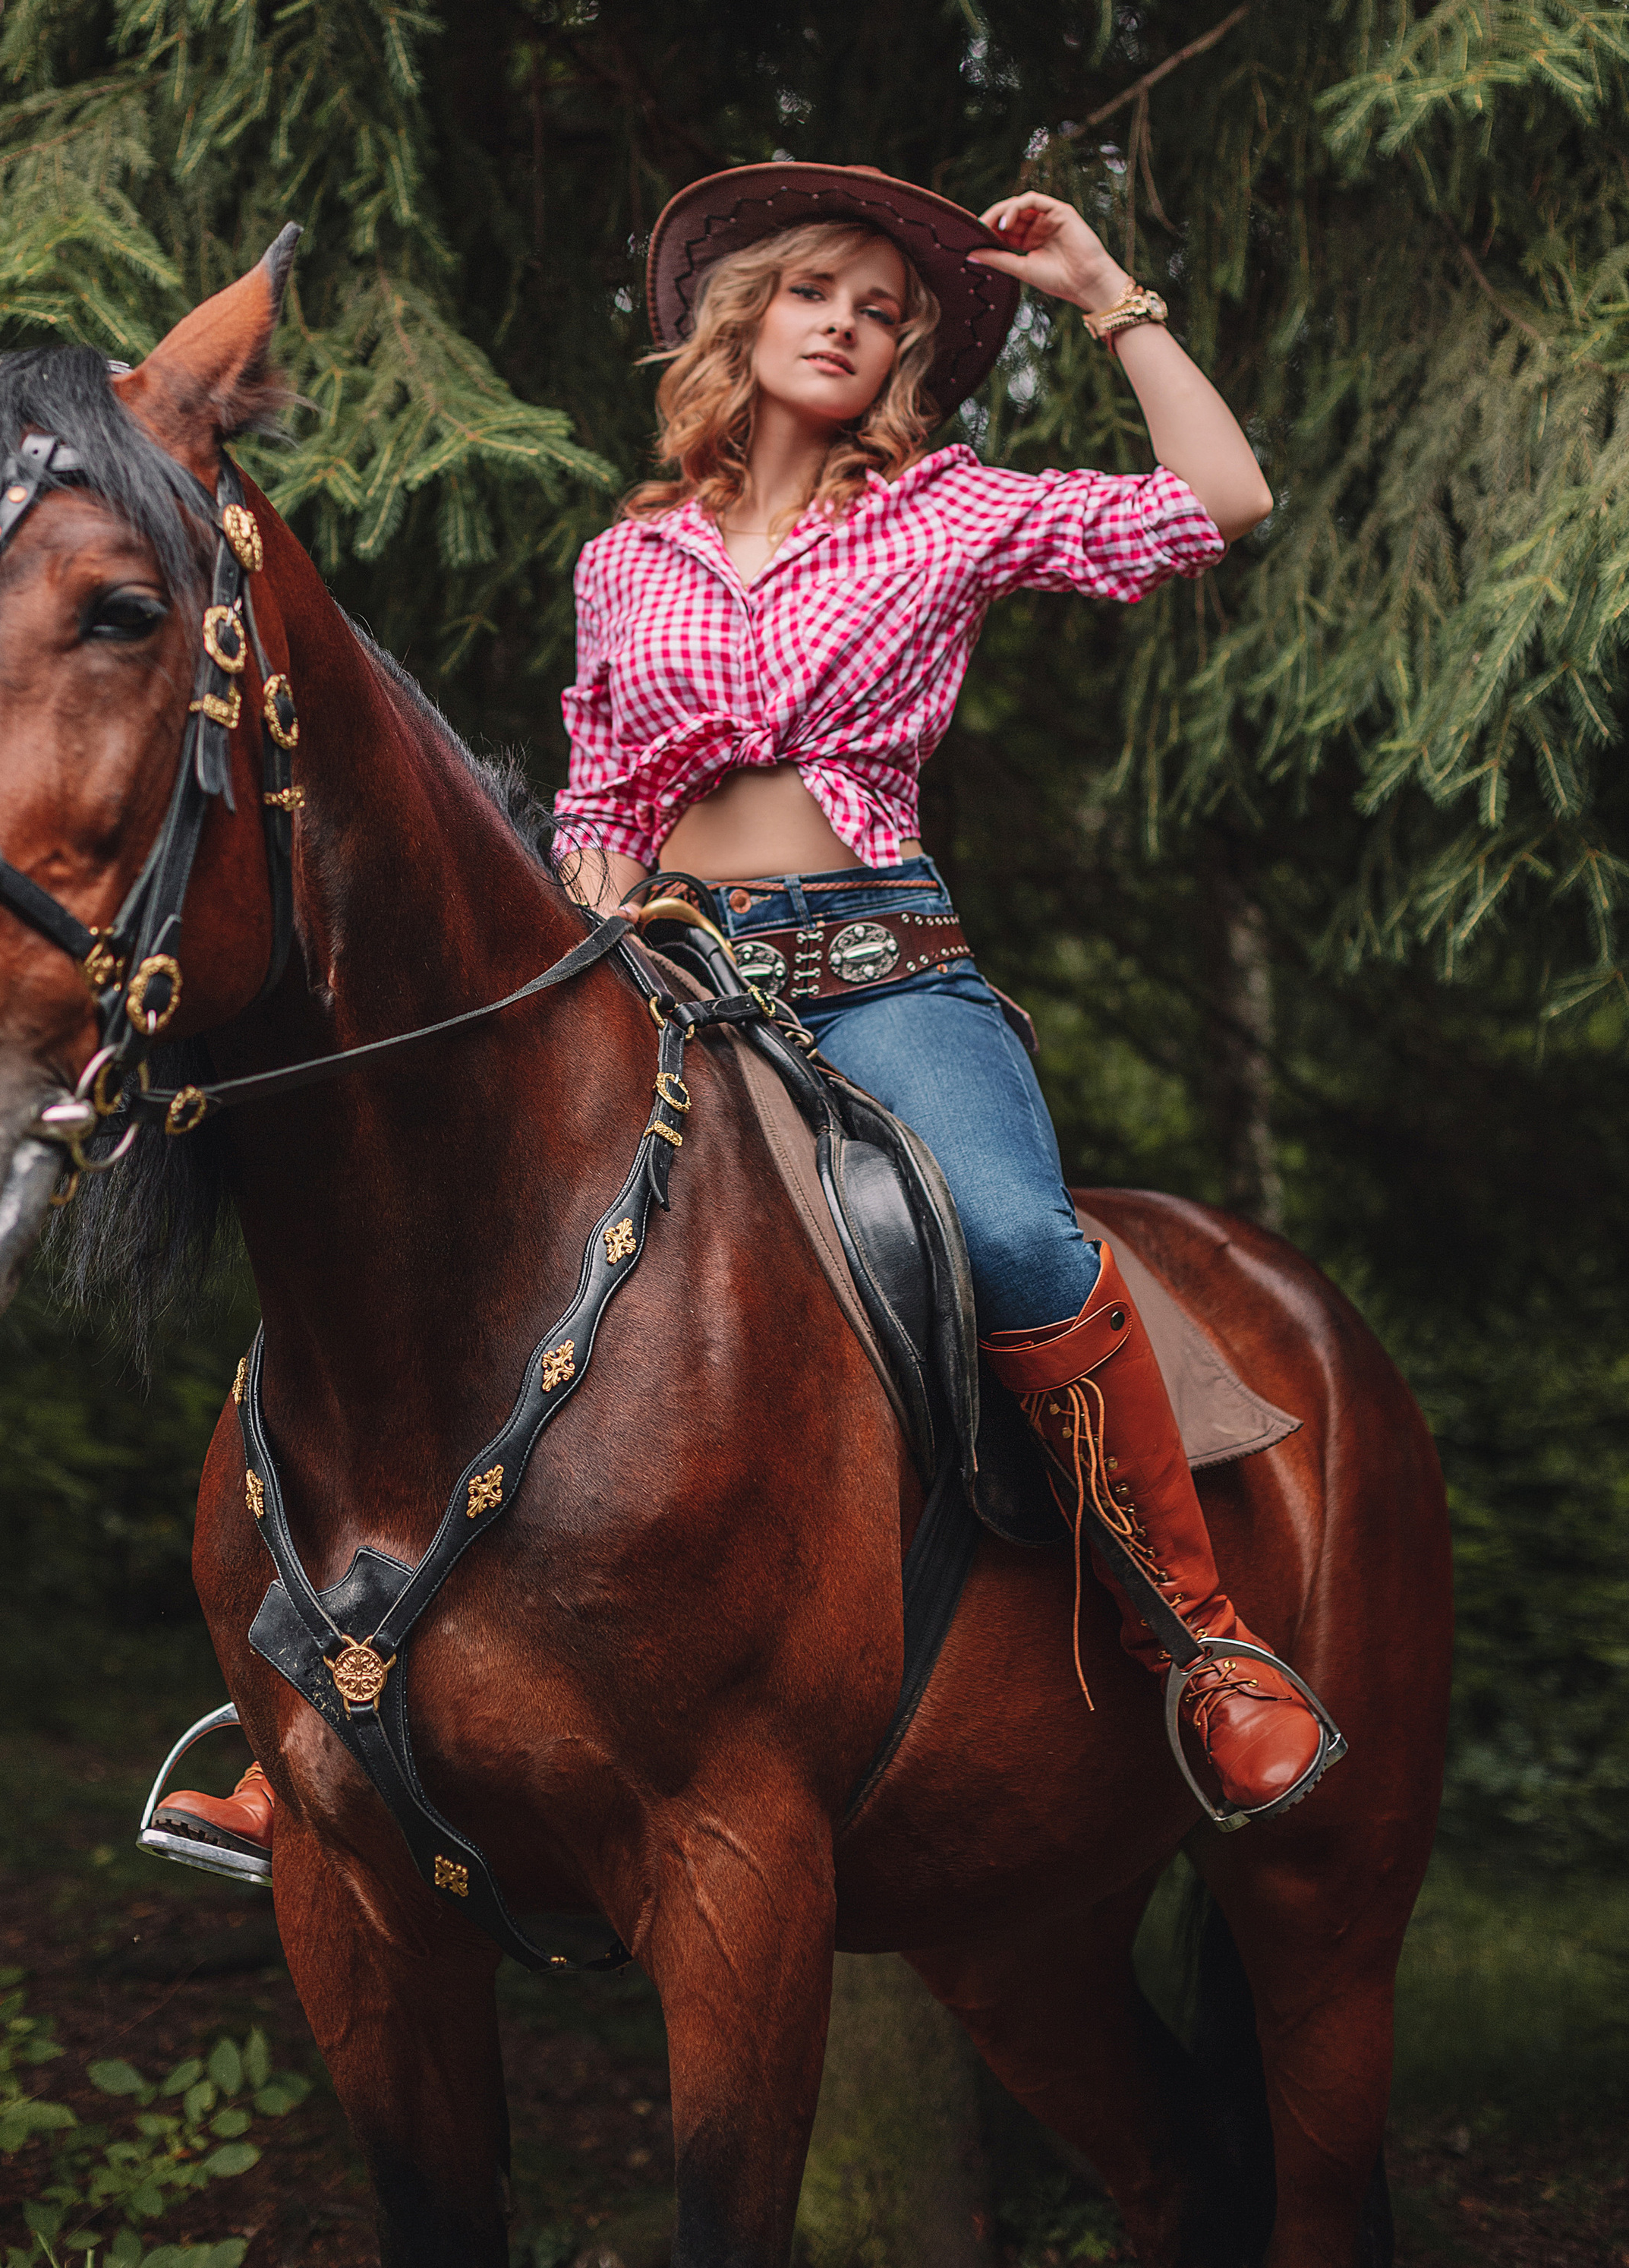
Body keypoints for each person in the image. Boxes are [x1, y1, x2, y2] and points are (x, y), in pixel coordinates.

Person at [151, 160, 1325, 1869]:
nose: (842, 325)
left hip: (875, 975)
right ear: (743, 318)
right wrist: (588, 893)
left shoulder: (950, 510)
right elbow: (604, 795)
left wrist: (1105, 300)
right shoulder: (625, 558)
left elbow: (1217, 499)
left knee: (1010, 1242)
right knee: (421, 1249)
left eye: (878, 311)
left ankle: (1200, 1640)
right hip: (655, 969)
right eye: (810, 294)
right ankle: (324, 1695)